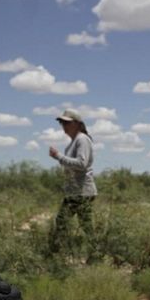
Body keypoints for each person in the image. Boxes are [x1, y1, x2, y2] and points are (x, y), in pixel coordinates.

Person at [48, 108, 97, 252]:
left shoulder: (82, 139)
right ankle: (95, 253)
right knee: (85, 225)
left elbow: (82, 163)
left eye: (67, 123)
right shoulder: (74, 142)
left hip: (81, 191)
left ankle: (56, 253)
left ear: (77, 123)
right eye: (62, 123)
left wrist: (58, 156)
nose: (64, 125)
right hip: (77, 191)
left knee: (62, 221)